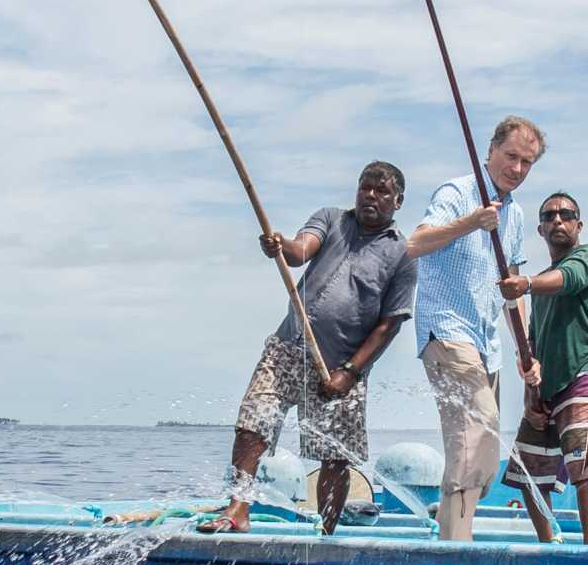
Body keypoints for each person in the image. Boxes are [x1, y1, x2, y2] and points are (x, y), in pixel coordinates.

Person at [205, 162, 417, 535]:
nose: (371, 196)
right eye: (365, 187)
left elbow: (389, 325)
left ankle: (326, 531)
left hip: (342, 367)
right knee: (253, 423)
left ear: (398, 201)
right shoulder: (332, 219)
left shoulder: (402, 254)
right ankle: (238, 507)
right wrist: (280, 245)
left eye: (382, 191)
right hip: (289, 346)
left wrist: (350, 372)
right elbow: (300, 250)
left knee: (334, 457)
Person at [407, 116, 546, 542]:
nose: (517, 169)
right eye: (511, 157)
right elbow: (415, 243)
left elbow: (512, 290)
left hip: (488, 344)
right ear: (491, 152)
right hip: (447, 332)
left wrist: (526, 352)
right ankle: (457, 547)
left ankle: (452, 534)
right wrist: (472, 221)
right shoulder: (458, 192)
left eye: (527, 162)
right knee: (477, 432)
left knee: (479, 447)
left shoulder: (517, 215)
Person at [497, 193, 588, 544]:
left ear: (578, 225)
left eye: (566, 215)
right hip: (547, 388)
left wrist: (526, 283)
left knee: (586, 466)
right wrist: (529, 399)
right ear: (540, 229)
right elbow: (532, 347)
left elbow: (571, 278)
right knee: (527, 471)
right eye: (550, 216)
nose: (558, 221)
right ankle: (549, 542)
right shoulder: (540, 286)